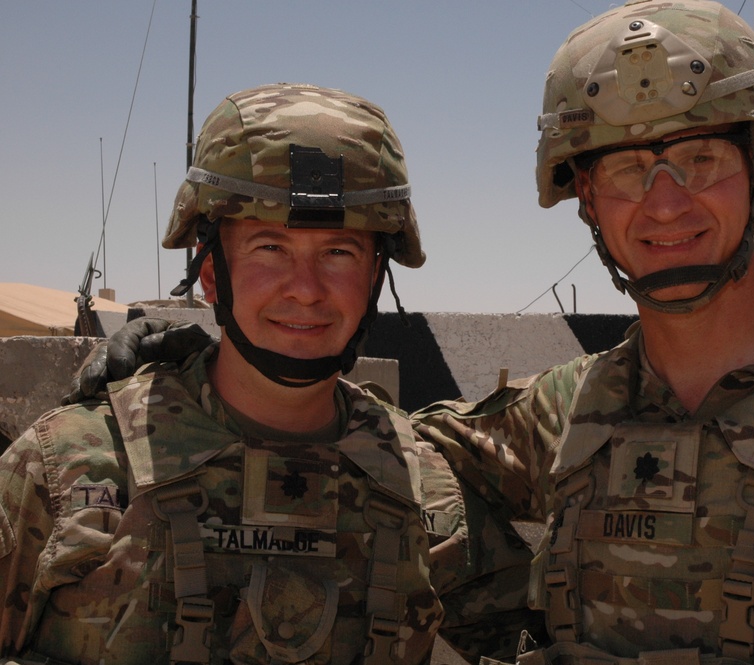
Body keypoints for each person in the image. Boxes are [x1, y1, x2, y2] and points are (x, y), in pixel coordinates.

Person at [69, 3, 754, 663]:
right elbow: (371, 452)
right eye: (629, 170)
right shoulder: (570, 413)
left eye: (700, 158)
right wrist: (202, 365)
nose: (665, 202)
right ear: (585, 199)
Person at [0, 83, 534, 664]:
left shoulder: (426, 490)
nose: (305, 290)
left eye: (339, 252)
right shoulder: (66, 468)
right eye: (268, 248)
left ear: (375, 277)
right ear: (210, 272)